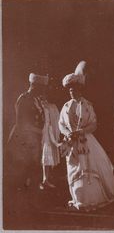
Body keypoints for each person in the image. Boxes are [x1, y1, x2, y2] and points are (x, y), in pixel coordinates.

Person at [59, 61, 114, 211]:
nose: (71, 92)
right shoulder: (65, 107)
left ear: (79, 89)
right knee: (74, 169)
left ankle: (92, 199)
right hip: (72, 142)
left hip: (86, 141)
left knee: (90, 168)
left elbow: (93, 124)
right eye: (69, 90)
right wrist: (67, 133)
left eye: (74, 89)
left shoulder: (87, 105)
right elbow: (61, 124)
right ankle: (79, 199)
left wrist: (82, 132)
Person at [5, 73, 48, 223]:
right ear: (34, 86)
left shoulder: (37, 100)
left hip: (35, 141)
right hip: (23, 142)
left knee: (34, 173)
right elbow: (22, 122)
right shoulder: (24, 99)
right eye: (41, 87)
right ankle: (20, 210)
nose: (43, 91)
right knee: (22, 175)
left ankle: (32, 207)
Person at [39, 94, 61, 190]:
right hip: (39, 130)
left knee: (47, 155)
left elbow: (52, 120)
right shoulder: (38, 106)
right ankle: (41, 180)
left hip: (47, 131)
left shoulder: (50, 107)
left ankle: (45, 179)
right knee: (41, 155)